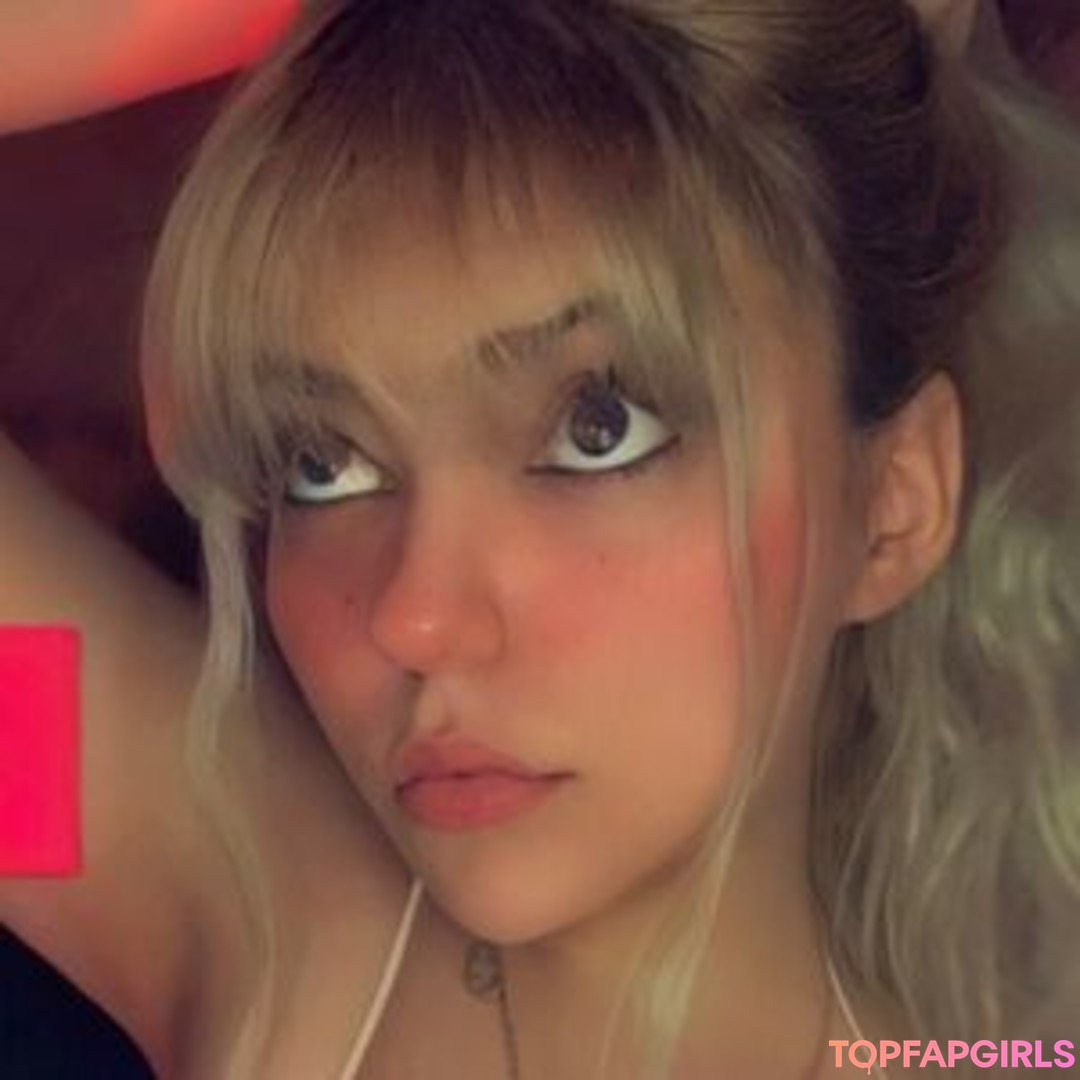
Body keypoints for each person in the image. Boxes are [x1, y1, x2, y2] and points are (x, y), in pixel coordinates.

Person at [2, 1, 1079, 1078]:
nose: (415, 618)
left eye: (597, 430)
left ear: (893, 503)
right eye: (322, 462)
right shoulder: (256, 941)